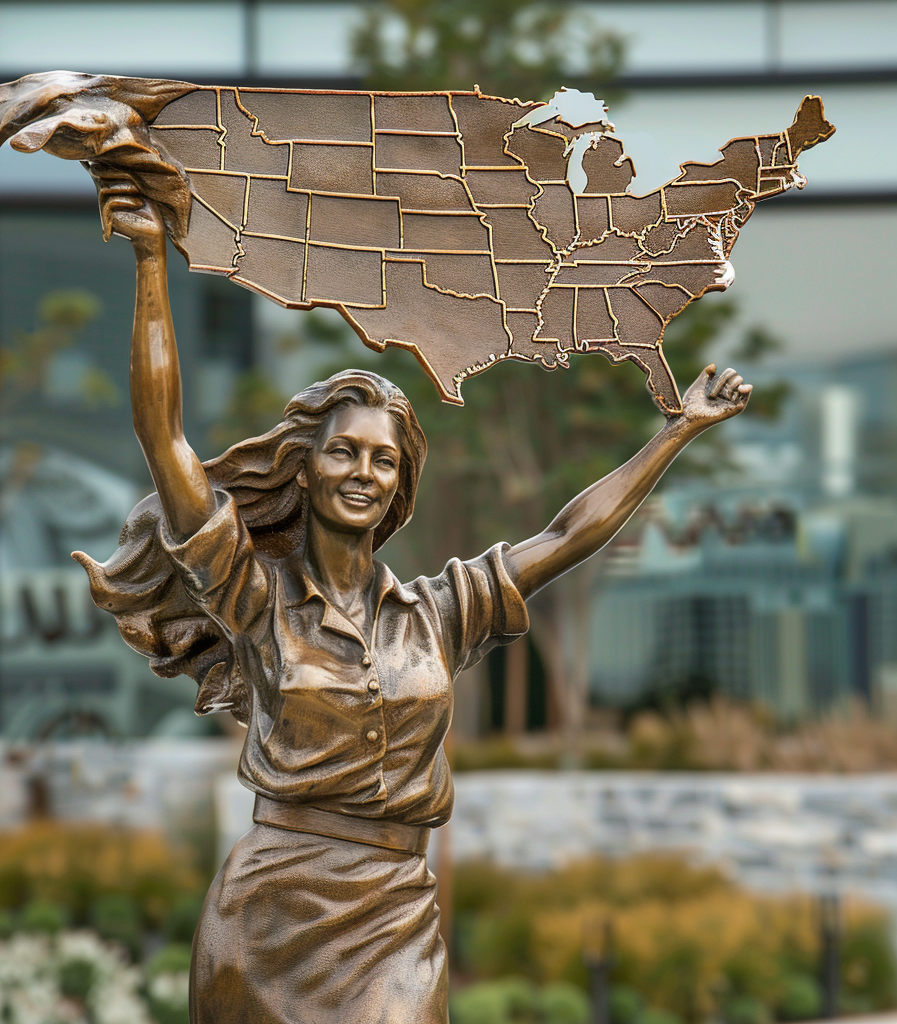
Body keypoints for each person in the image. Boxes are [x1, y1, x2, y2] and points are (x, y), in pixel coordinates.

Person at [73, 186, 752, 1024]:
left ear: (402, 482)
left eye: (385, 460)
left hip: (397, 907)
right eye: (344, 453)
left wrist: (675, 432)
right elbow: (164, 438)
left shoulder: (441, 611)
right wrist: (149, 261)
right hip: (272, 910)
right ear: (305, 469)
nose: (365, 472)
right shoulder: (254, 599)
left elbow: (570, 532)